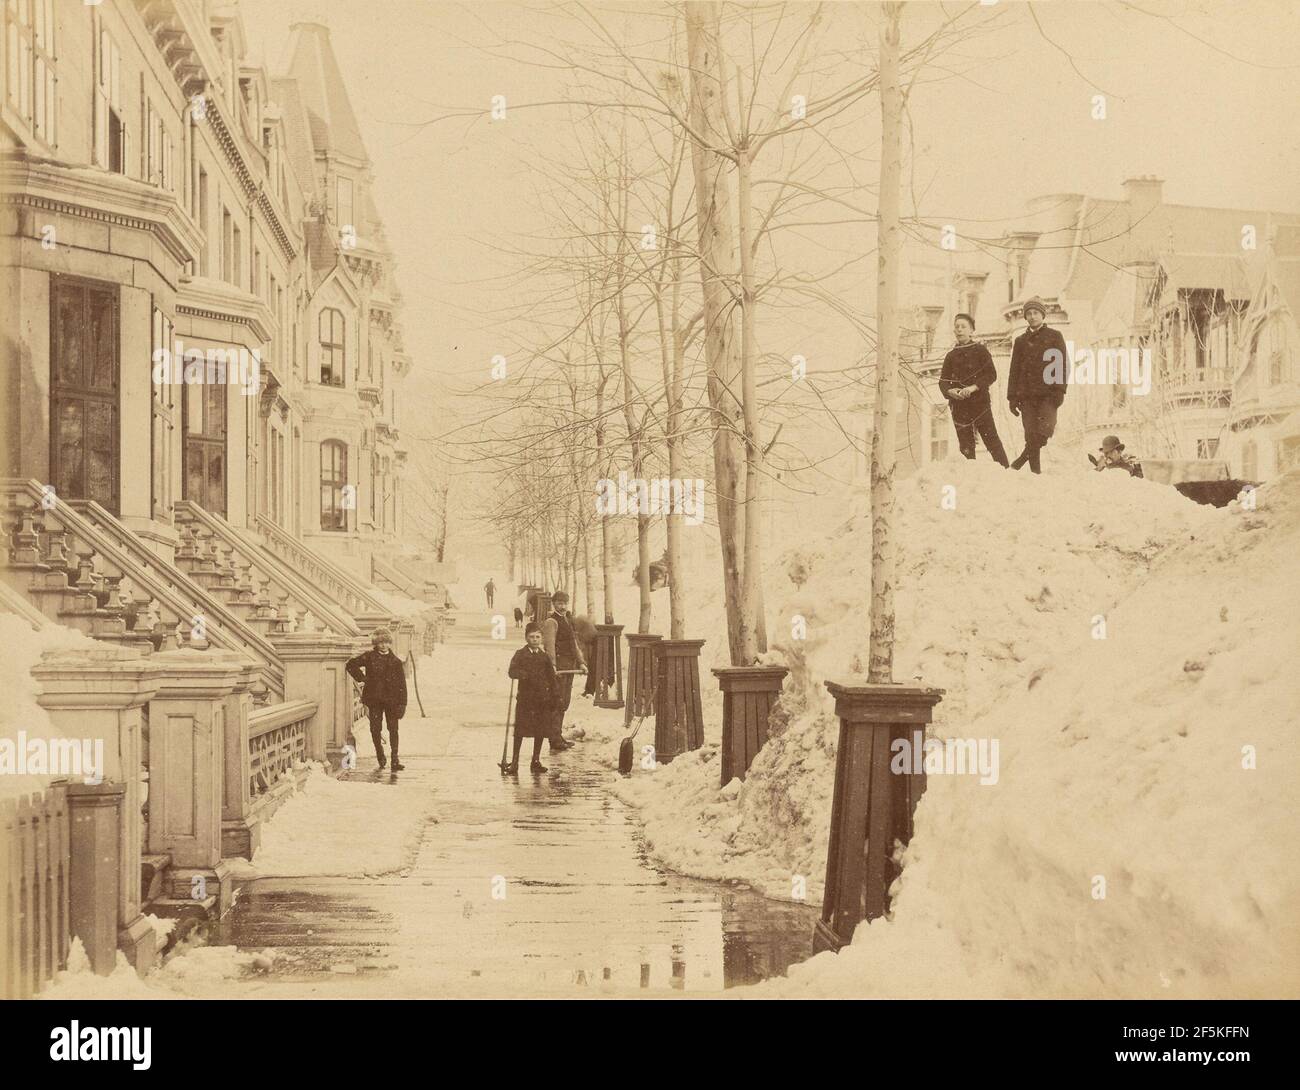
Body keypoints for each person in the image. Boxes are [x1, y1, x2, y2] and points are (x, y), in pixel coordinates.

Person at [1007, 297, 1069, 474]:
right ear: (1026, 317)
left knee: (1044, 431)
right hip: (1026, 396)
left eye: (1036, 313)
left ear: (1042, 314)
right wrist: (1012, 397)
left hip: (1048, 394)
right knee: (1030, 434)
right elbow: (1014, 370)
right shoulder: (1020, 341)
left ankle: (1019, 462)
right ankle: (1036, 474)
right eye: (1029, 314)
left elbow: (1062, 364)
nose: (1032, 316)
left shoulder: (1054, 336)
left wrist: (1060, 390)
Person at [938, 313, 1009, 467]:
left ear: (971, 330)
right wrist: (951, 392)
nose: (959, 330)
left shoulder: (980, 350)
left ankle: (1006, 472)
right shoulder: (950, 356)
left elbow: (991, 374)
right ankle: (970, 478)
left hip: (980, 404)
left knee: (992, 440)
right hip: (959, 406)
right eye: (957, 327)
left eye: (963, 326)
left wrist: (973, 388)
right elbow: (943, 382)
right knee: (966, 446)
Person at [346, 629, 407, 771]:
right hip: (374, 699)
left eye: (386, 642)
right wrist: (363, 678)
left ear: (390, 643)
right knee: (375, 729)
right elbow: (351, 665)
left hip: (392, 701)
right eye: (380, 642)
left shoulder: (396, 662)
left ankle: (395, 759)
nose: (384, 645)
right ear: (376, 643)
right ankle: (380, 755)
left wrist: (402, 703)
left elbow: (402, 685)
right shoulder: (369, 657)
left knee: (393, 729)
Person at [506, 622, 557, 774]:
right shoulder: (520, 654)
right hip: (526, 699)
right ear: (526, 638)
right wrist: (522, 674)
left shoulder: (544, 657)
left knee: (540, 730)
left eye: (537, 637)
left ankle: (536, 760)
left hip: (542, 699)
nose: (535, 640)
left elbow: (551, 678)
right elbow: (511, 671)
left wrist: (555, 696)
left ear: (541, 639)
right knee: (520, 730)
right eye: (531, 637)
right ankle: (515, 762)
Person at [541, 591, 586, 752]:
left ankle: (557, 736)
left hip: (569, 667)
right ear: (553, 604)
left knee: (564, 702)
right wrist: (552, 665)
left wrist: (581, 662)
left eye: (564, 603)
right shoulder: (551, 622)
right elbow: (549, 644)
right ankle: (554, 738)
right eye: (559, 603)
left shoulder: (567, 620)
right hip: (559, 668)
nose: (562, 606)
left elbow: (573, 643)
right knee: (557, 702)